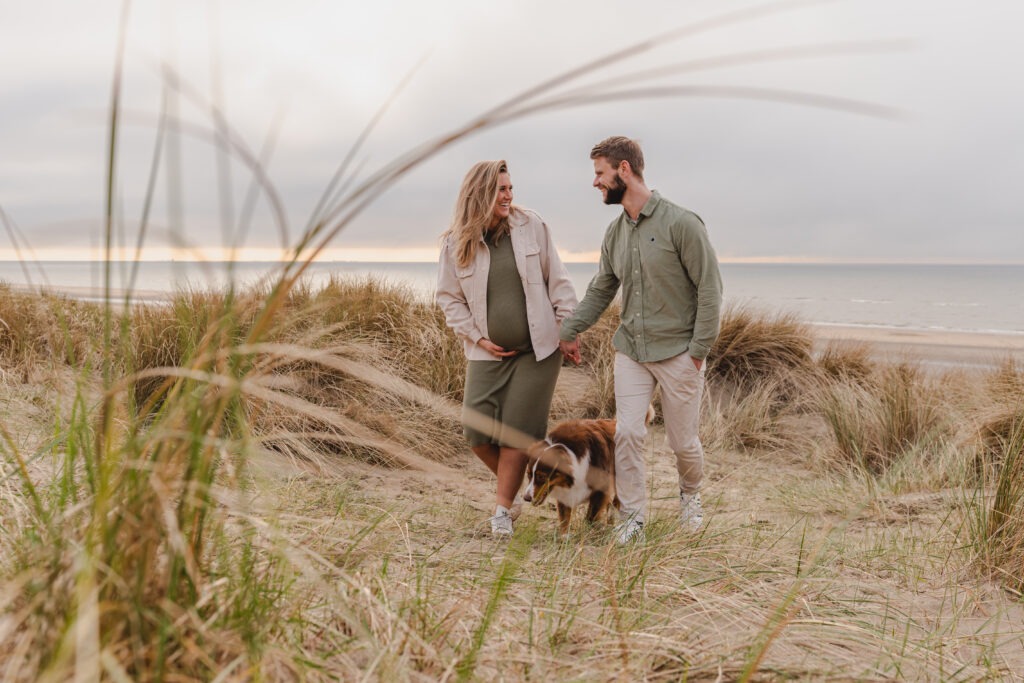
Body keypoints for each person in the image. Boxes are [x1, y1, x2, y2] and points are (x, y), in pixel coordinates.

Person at [558, 136, 723, 544]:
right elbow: (601, 288)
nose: (595, 182)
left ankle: (690, 497)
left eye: (600, 173)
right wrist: (569, 329)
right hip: (631, 350)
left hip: (679, 352)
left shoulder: (682, 223)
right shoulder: (614, 234)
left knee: (682, 443)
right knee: (628, 433)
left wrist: (698, 352)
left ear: (624, 170)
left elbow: (710, 289)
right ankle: (632, 518)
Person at [436, 160, 578, 538]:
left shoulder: (531, 225)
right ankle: (515, 489)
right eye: (501, 189)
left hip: (538, 350)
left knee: (515, 433)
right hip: (486, 352)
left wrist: (570, 328)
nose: (509, 195)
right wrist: (477, 337)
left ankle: (502, 511)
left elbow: (558, 279)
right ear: (479, 193)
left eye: (510, 188)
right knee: (476, 432)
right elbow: (449, 299)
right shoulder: (455, 242)